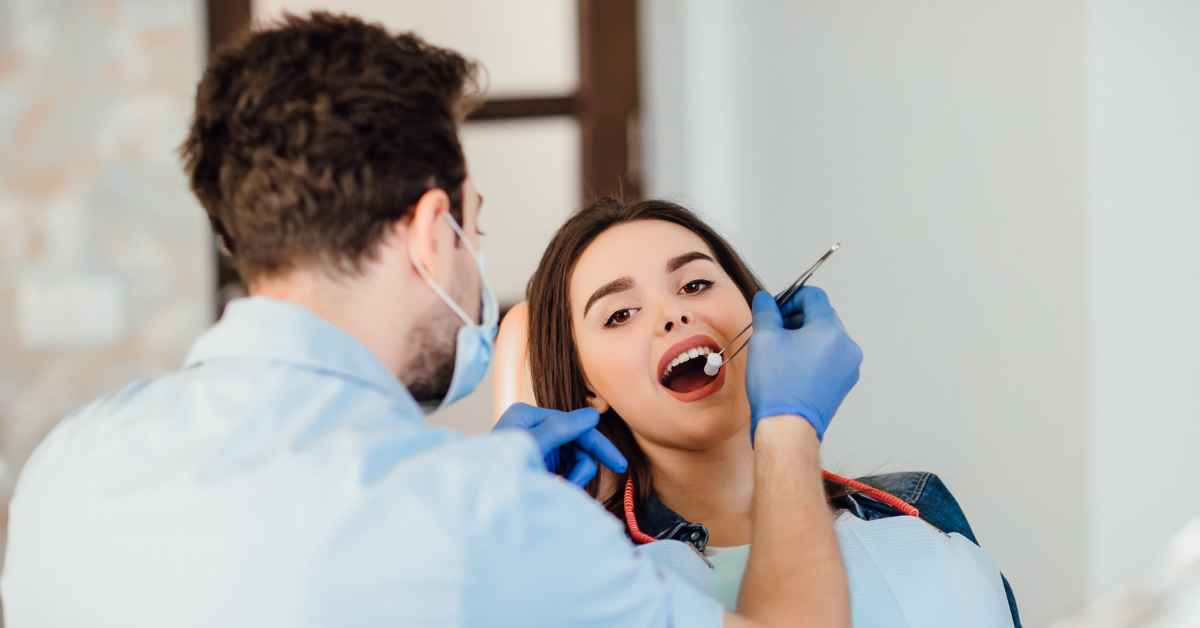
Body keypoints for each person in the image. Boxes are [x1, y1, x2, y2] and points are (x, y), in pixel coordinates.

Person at [1, 12, 858, 628]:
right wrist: (788, 425)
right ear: (429, 230)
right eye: (473, 229)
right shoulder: (479, 519)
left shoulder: (68, 463)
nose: (670, 319)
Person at [519, 197, 1021, 626]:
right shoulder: (587, 581)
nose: (673, 314)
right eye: (621, 314)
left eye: (694, 285)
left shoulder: (917, 515)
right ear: (587, 386)